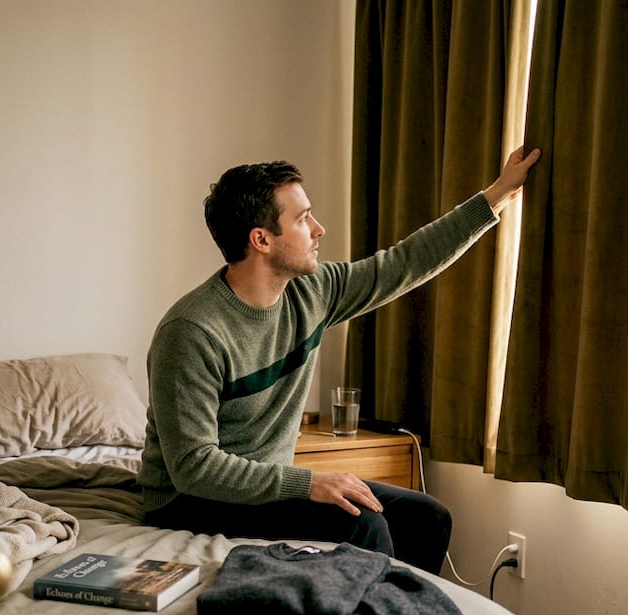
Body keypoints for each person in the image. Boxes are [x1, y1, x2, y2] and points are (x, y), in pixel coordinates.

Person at [138, 147, 541, 574]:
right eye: (302, 218)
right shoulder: (191, 332)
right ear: (261, 239)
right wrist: (308, 482)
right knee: (364, 525)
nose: (318, 229)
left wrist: (495, 196)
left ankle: (406, 612)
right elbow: (193, 467)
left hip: (265, 483)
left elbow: (404, 263)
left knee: (427, 518)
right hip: (192, 502)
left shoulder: (312, 292)